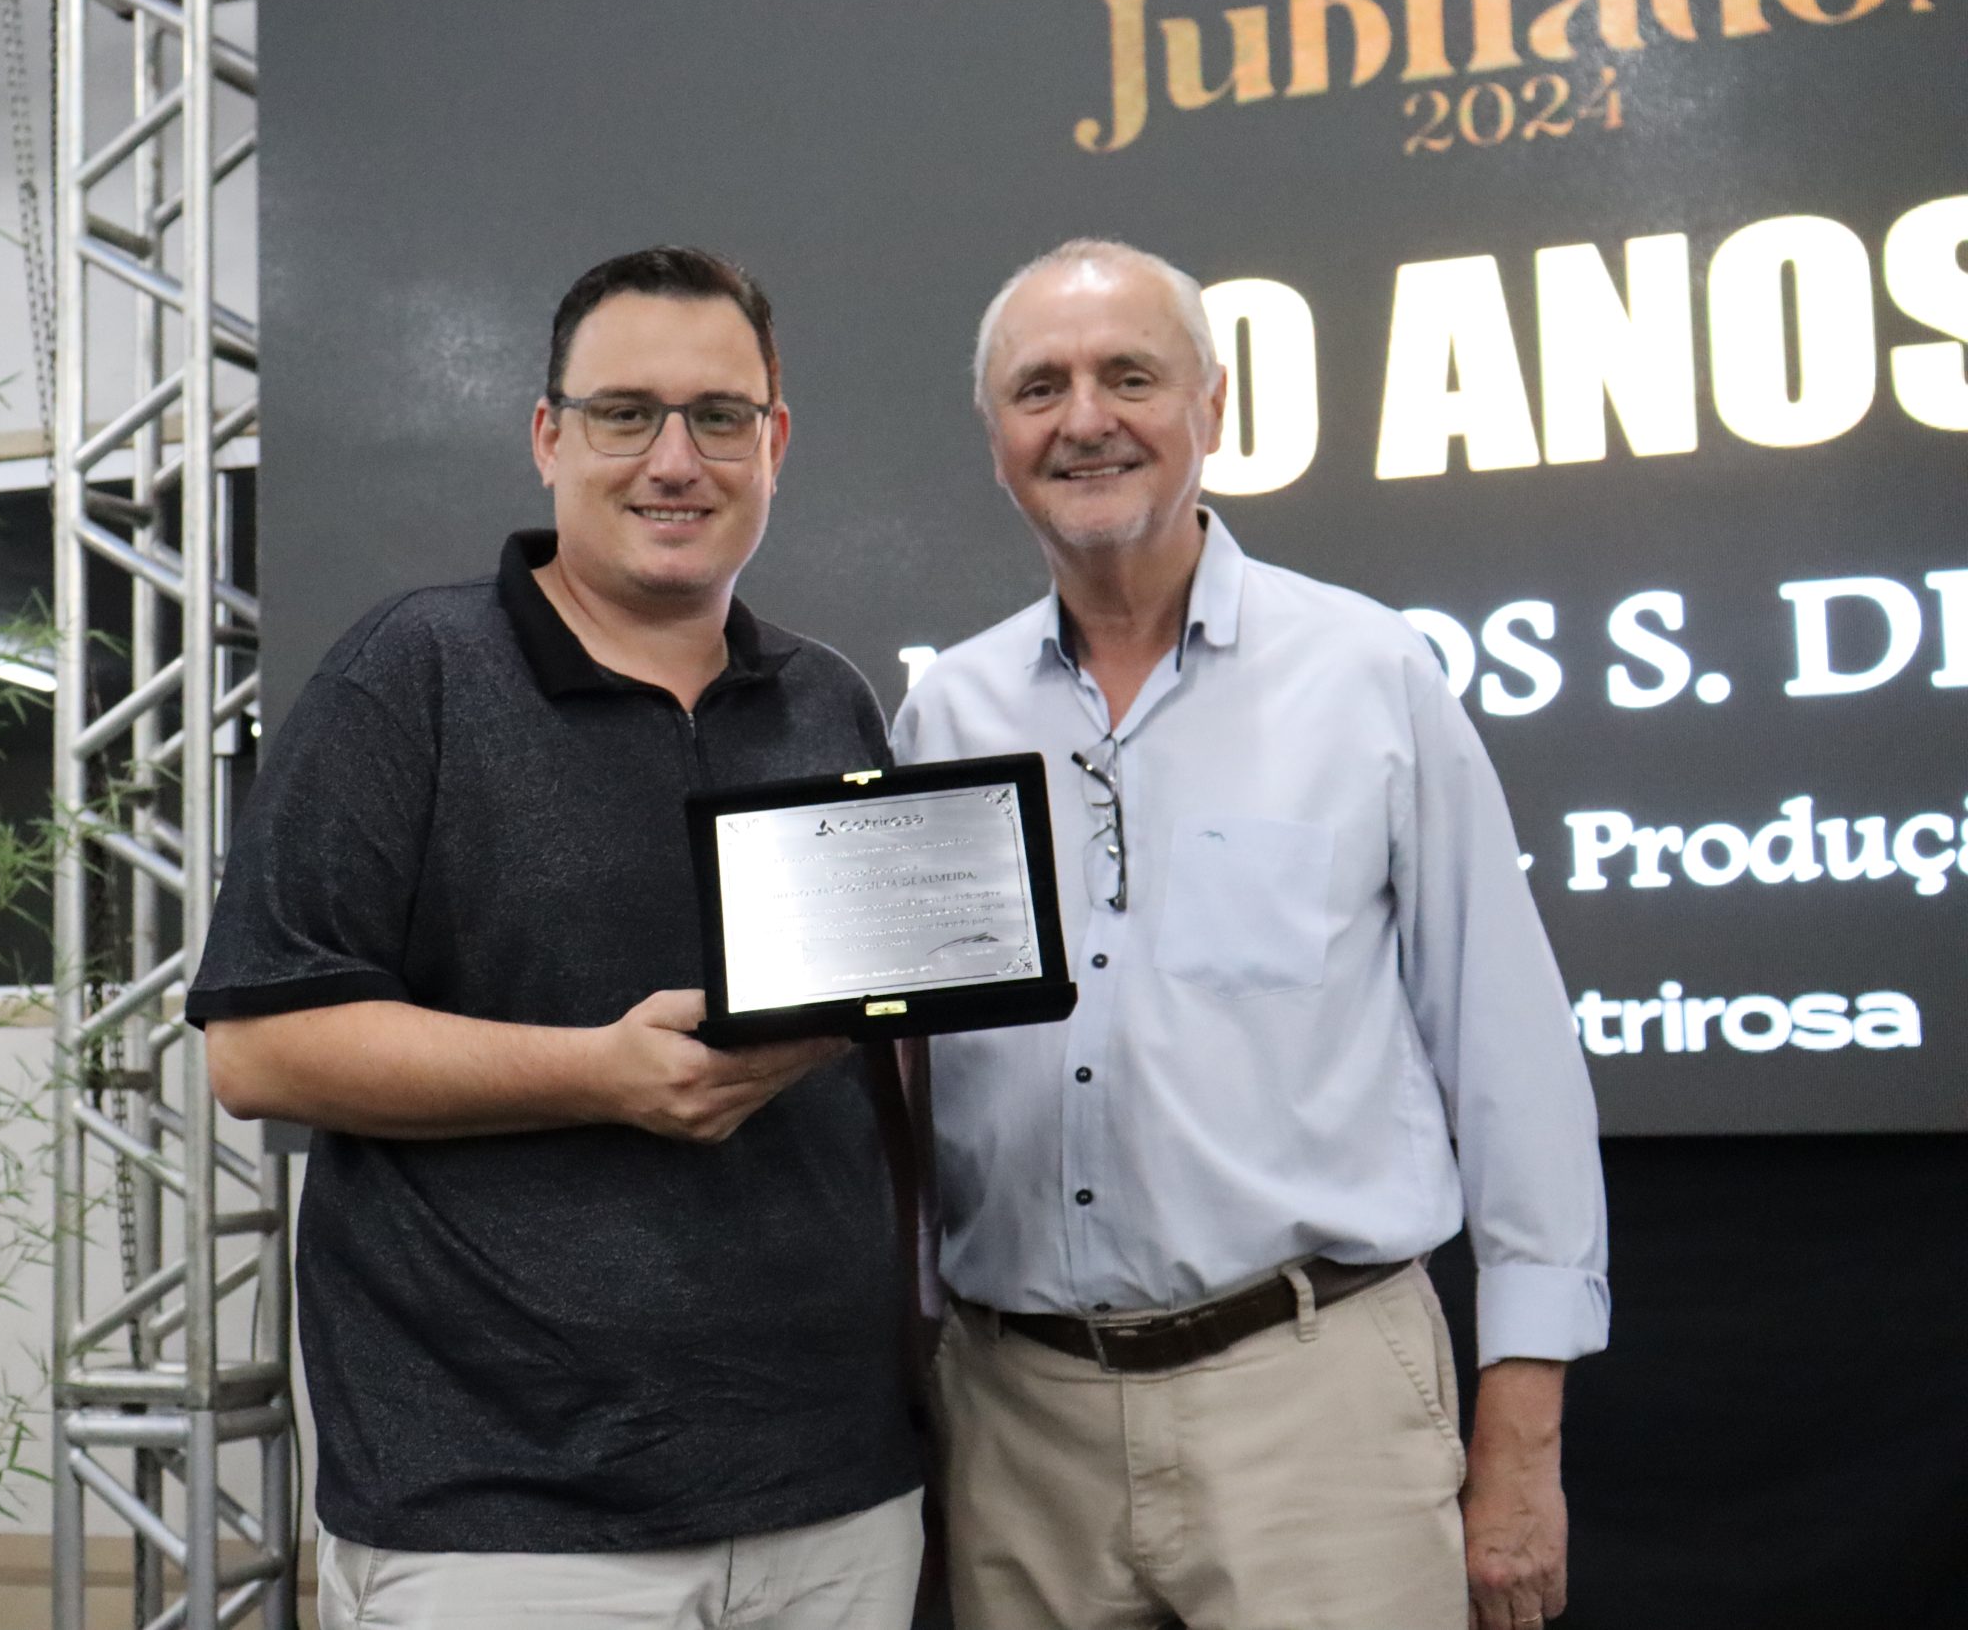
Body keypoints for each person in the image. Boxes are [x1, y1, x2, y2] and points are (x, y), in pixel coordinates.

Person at [189, 247, 923, 1630]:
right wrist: (599, 1075)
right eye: (624, 413)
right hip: (502, 1520)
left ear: (774, 444)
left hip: (832, 1499)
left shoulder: (826, 701)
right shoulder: (410, 677)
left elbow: (876, 1057)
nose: (674, 460)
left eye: (719, 417)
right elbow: (261, 1050)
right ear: (547, 437)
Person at [892, 239, 1609, 1630]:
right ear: (996, 441)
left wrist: (1523, 1431)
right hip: (1017, 1428)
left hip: (1317, 1410)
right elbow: (917, 1092)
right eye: (1040, 388)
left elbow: (1510, 1055)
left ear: (1212, 408)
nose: (1085, 419)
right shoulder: (946, 717)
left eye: (1130, 376)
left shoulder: (1369, 675)